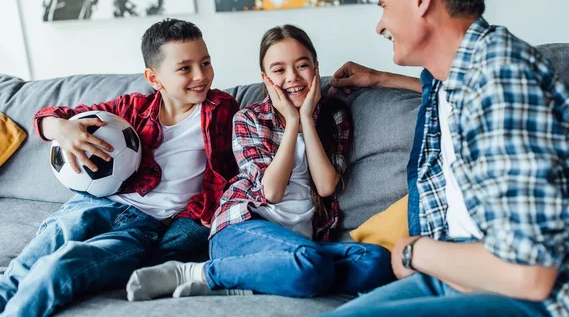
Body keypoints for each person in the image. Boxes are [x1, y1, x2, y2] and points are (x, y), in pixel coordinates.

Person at [324, 0, 569, 317]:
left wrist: (415, 250)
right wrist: (379, 79)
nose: (380, 25)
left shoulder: (501, 80)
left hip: (547, 300)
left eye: (385, 6)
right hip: (463, 274)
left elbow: (531, 274)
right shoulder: (449, 79)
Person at [126, 25, 394, 300]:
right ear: (266, 79)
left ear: (316, 68)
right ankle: (199, 273)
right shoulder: (248, 118)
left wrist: (306, 119)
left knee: (375, 261)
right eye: (279, 70)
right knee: (310, 263)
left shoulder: (334, 114)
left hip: (299, 244)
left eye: (302, 66)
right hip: (241, 227)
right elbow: (272, 192)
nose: (292, 77)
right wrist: (291, 122)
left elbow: (326, 187)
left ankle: (248, 280)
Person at [0, 19, 239, 316]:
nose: (200, 76)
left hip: (142, 227)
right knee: (21, 270)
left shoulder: (221, 109)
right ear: (154, 78)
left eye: (205, 63)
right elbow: (51, 116)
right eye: (185, 68)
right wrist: (61, 128)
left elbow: (231, 169)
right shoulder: (132, 108)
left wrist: (206, 208)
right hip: (90, 205)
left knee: (60, 267)